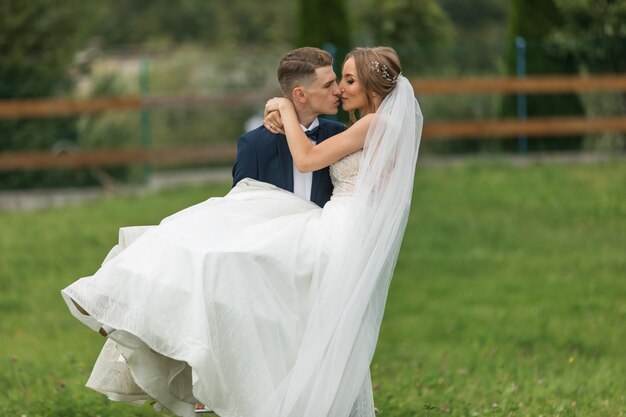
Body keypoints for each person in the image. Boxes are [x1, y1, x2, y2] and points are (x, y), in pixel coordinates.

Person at [61, 46, 422, 417]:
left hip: (341, 227)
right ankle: (130, 300)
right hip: (339, 223)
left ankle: (139, 308)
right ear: (301, 93)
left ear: (371, 85)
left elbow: (308, 159)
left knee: (241, 261)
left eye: (348, 81)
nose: (341, 90)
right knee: (225, 241)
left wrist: (282, 108)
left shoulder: (373, 125)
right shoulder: (364, 126)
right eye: (337, 81)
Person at [233, 47, 346, 207]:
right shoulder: (254, 145)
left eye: (335, 81)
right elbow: (239, 207)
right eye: (328, 85)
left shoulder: (340, 134)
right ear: (300, 94)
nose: (337, 90)